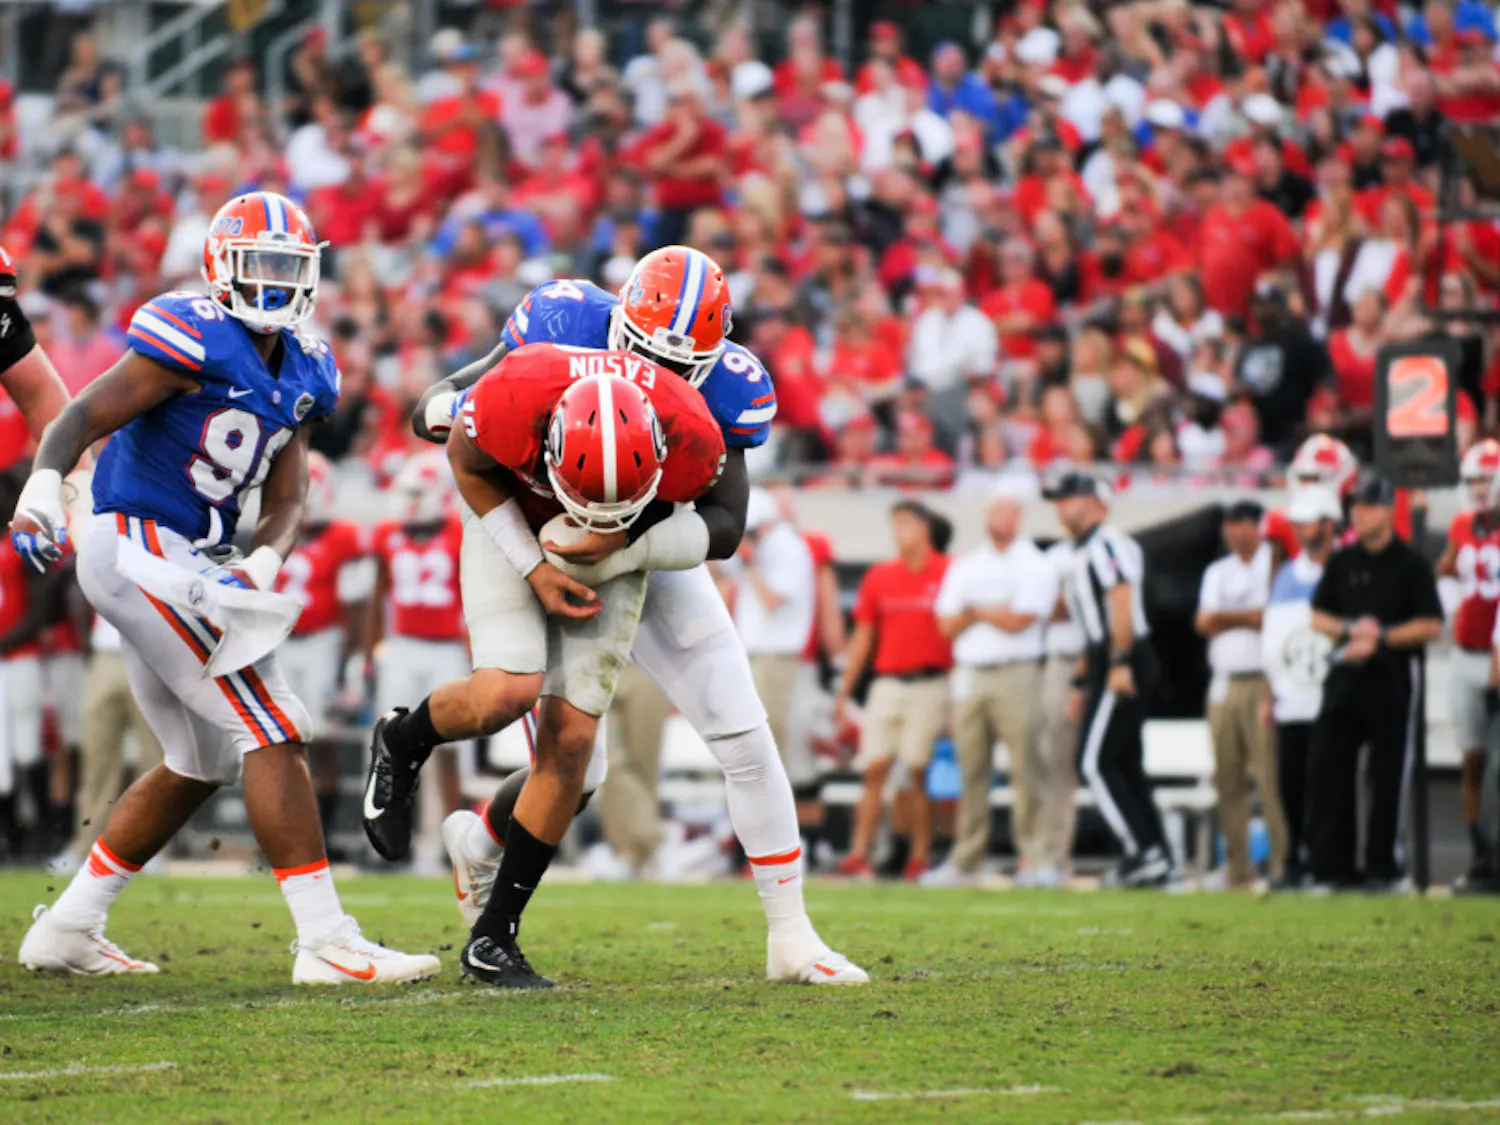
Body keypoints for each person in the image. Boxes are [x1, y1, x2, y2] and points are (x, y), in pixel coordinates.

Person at [388, 248, 868, 986]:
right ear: (617, 327)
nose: (660, 381)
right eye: (645, 355)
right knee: (578, 769)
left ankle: (792, 935)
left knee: (744, 732)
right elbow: (442, 403)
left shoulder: (730, 387)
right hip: (539, 537)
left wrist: (619, 543)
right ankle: (479, 837)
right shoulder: (562, 323)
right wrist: (464, 412)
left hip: (649, 547)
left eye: (681, 368)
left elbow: (727, 526)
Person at [9, 191, 438, 982]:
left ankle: (69, 926)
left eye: (288, 266)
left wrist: (266, 559)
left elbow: (286, 494)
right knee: (274, 723)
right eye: (260, 265)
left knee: (200, 756)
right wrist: (42, 487)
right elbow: (80, 415)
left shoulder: (309, 366)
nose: (274, 281)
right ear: (221, 266)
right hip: (137, 541)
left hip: (191, 556)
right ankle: (324, 939)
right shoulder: (190, 330)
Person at [392, 349, 725, 988]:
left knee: (573, 747)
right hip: (511, 520)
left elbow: (725, 527)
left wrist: (631, 537)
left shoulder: (692, 432)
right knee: (505, 694)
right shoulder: (512, 393)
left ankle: (492, 935)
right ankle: (404, 738)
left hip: (626, 545)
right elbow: (464, 461)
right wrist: (535, 568)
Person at [1308, 471, 1443, 891]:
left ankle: (1383, 867)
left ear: (1387, 510)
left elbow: (1431, 624)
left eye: (1367, 506)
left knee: (1386, 778)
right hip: (1345, 676)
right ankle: (1335, 868)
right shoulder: (1342, 561)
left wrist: (1381, 635)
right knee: (1332, 769)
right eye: (1355, 506)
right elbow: (1317, 615)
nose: (1358, 513)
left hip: (1389, 677)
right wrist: (1353, 630)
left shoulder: (1411, 563)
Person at [1048, 471, 1175, 888]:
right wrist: (1083, 680)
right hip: (1110, 655)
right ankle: (1159, 853)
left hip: (1126, 653)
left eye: (1070, 497)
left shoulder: (1107, 544)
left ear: (1094, 500)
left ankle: (1143, 851)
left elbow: (1120, 603)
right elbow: (1093, 623)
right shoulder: (1082, 551)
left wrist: (1119, 662)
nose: (1062, 507)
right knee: (1124, 763)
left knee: (1094, 762)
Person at [924, 486, 1056, 887]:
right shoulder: (969, 564)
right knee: (972, 768)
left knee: (1026, 766)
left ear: (1017, 515)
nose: (994, 517)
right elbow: (946, 623)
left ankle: (1035, 858)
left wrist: (976, 610)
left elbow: (1023, 619)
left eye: (1002, 510)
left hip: (1017, 671)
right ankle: (966, 859)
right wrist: (992, 612)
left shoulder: (1034, 562)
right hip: (972, 672)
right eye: (991, 509)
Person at [834, 502, 952, 881]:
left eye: (906, 523)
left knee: (917, 769)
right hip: (888, 681)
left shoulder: (949, 572)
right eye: (895, 523)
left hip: (930, 681)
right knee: (874, 768)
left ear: (925, 527)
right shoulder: (881, 576)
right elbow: (863, 638)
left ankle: (918, 856)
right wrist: (845, 692)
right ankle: (858, 852)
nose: (899, 531)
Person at [365, 452, 468, 873]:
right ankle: (390, 842)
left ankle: (453, 840)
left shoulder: (461, 534)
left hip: (447, 647)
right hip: (402, 646)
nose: (409, 501)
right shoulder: (388, 533)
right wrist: (370, 652)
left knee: (450, 750)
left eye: (417, 493)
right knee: (390, 747)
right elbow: (377, 595)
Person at [274, 451, 372, 857]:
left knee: (321, 741)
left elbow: (356, 606)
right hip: (277, 642)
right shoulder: (276, 526)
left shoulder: (343, 536)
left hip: (322, 643)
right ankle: (280, 837)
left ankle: (323, 838)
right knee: (276, 742)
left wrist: (350, 665)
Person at [1194, 500, 1286, 888]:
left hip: (1264, 679)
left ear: (1257, 526)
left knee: (1269, 779)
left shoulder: (1273, 561)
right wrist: (1245, 617)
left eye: (1241, 525)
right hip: (1224, 680)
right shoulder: (1218, 570)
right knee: (1227, 778)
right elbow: (1203, 622)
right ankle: (1237, 868)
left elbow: (1271, 617)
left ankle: (1283, 864)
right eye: (1229, 526)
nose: (1234, 533)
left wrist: (1227, 619)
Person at [1261, 487, 1341, 890]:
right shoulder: (1288, 576)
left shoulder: (1344, 568)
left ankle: (1326, 860)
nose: (1300, 530)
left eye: (1307, 522)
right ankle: (1295, 859)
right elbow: (1273, 639)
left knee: (1326, 784)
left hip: (1331, 693)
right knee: (1289, 782)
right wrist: (1269, 692)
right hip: (1292, 692)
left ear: (1328, 524)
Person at [732, 489, 820, 840]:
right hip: (757, 656)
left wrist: (751, 562)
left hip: (776, 658)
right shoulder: (773, 546)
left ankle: (779, 835)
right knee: (755, 749)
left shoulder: (788, 549)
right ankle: (762, 833)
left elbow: (772, 600)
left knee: (769, 748)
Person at [1435, 440, 1500, 892]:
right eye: (1473, 480)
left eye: (1485, 480)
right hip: (1465, 655)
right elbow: (1444, 569)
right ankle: (1480, 854)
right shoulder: (1461, 526)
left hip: (1497, 657)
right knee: (1473, 761)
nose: (1477, 489)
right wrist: (1451, 601)